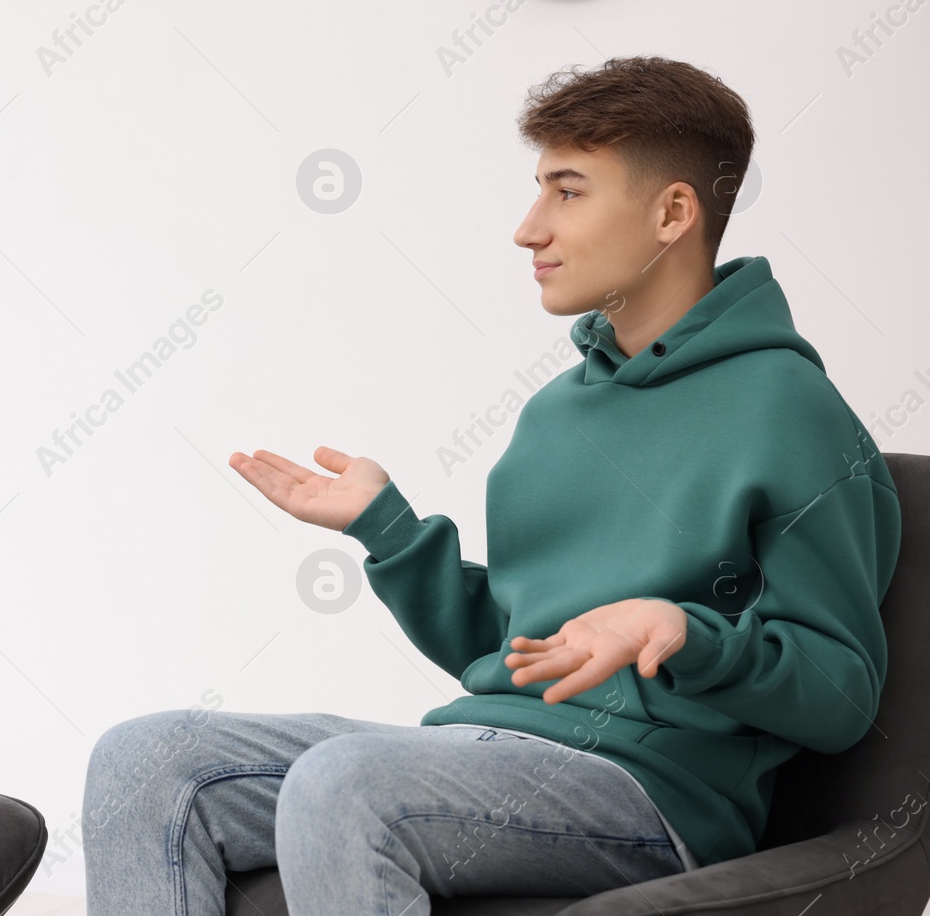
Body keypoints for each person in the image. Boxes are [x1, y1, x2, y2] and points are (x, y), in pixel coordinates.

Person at [80, 55, 903, 915]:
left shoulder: (789, 411)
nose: (528, 229)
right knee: (142, 763)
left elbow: (841, 693)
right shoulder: (556, 412)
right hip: (490, 746)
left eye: (568, 191)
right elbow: (516, 652)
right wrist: (389, 531)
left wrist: (684, 633)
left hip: (652, 790)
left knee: (343, 784)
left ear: (672, 212)